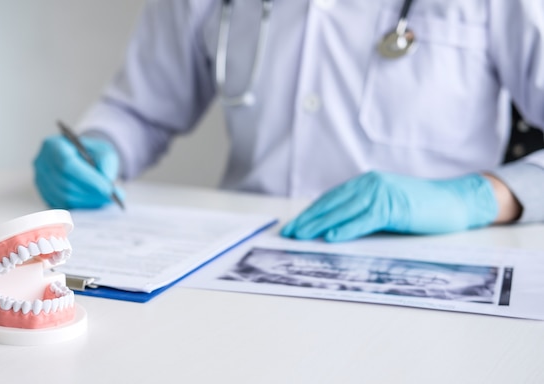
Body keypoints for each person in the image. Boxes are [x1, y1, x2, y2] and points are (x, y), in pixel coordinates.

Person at [34, 0, 544, 243]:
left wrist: (475, 197)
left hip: (439, 263)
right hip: (247, 258)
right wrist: (100, 147)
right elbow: (141, 110)